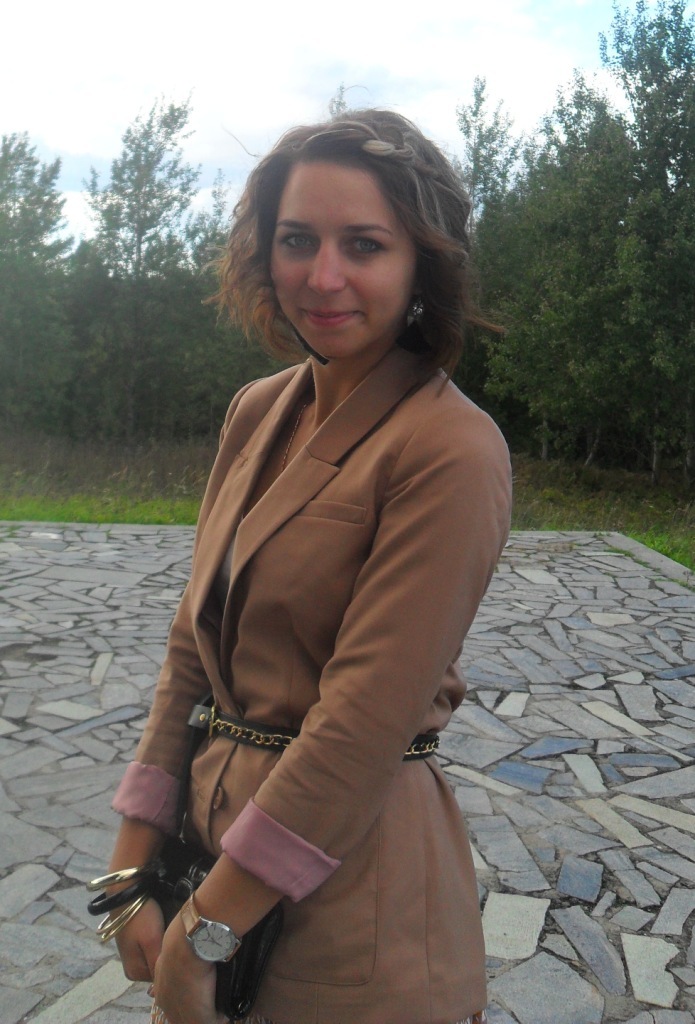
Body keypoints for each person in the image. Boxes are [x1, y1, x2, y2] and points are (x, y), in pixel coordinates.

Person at [101, 108, 512, 1024]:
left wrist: (207, 932)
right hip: (208, 860)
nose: (322, 277)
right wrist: (132, 867)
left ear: (421, 264)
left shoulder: (449, 448)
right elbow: (190, 649)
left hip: (355, 900)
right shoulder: (257, 410)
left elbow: (361, 725)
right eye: (297, 240)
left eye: (363, 244)